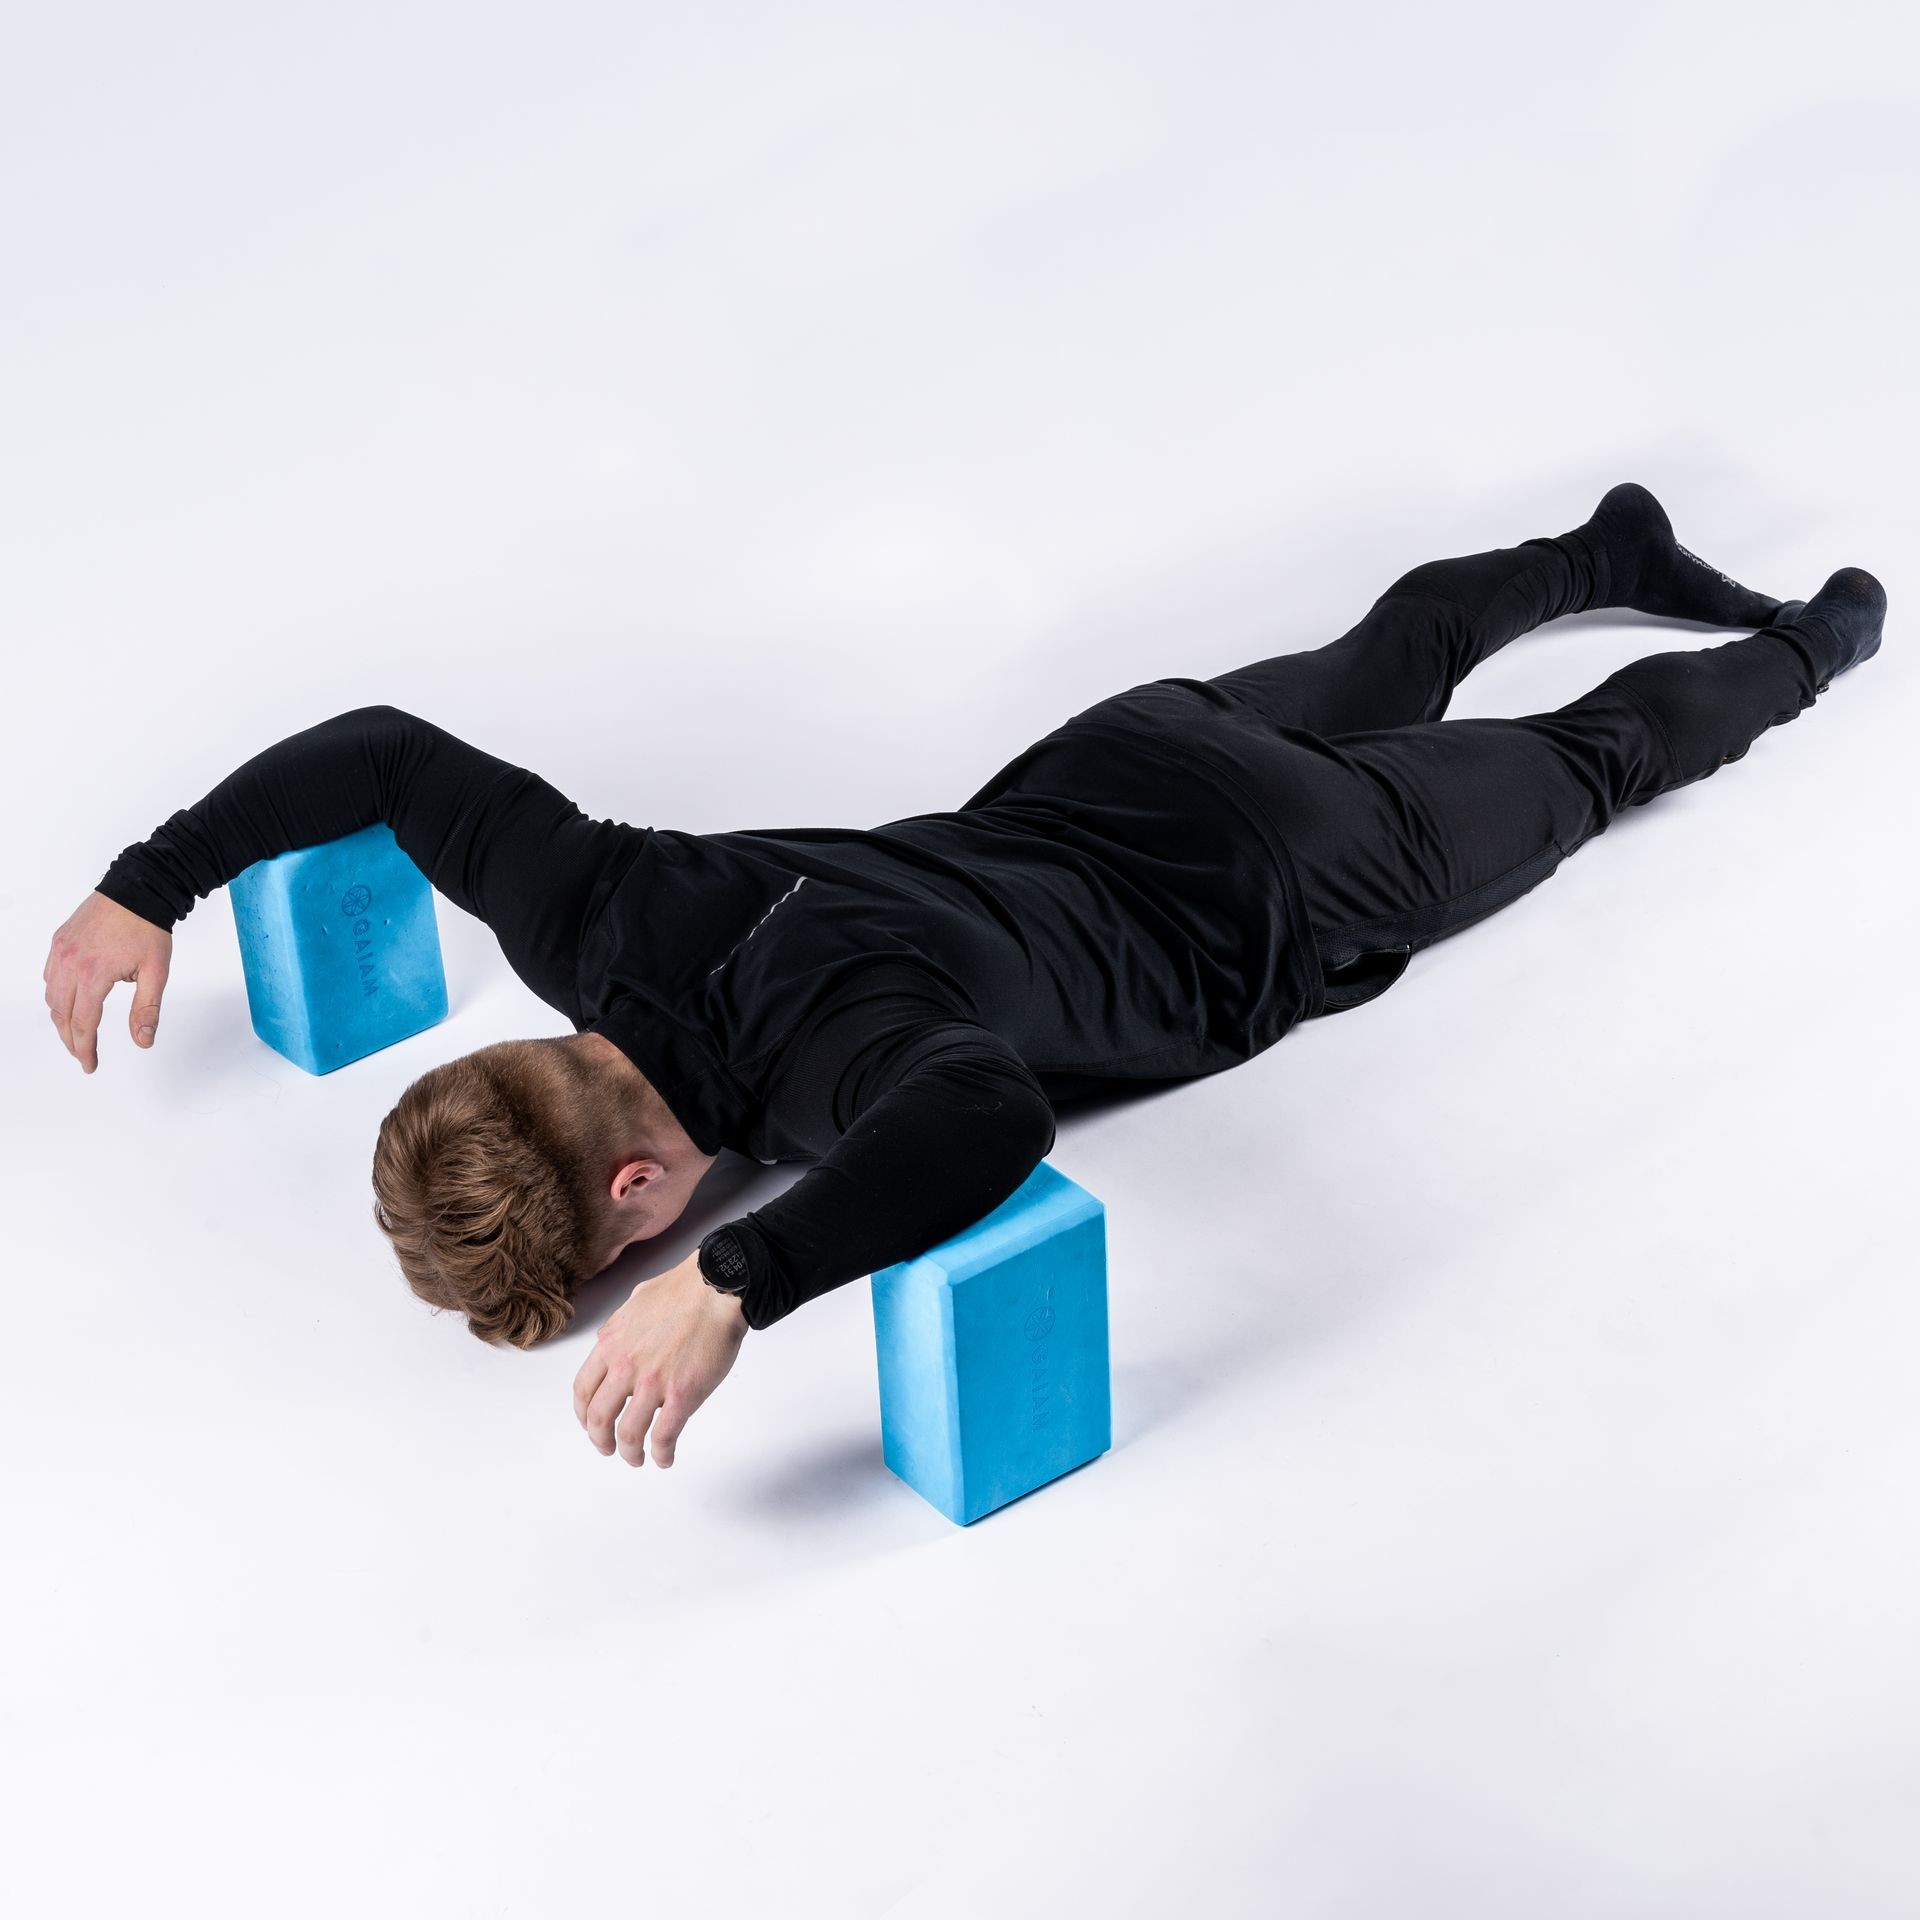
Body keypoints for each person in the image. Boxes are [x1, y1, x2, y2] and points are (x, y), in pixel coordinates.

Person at [41, 485, 1886, 1473]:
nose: (647, 1270)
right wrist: (150, 881)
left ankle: (1811, 645)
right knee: (1376, 654)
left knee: (1588, 767)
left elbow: (982, 1115)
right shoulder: (590, 911)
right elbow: (381, 748)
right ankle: (1606, 546)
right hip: (1118, 759)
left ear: (636, 1193)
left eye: (630, 1259)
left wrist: (734, 1285)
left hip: (1282, 879)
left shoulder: (839, 1083)